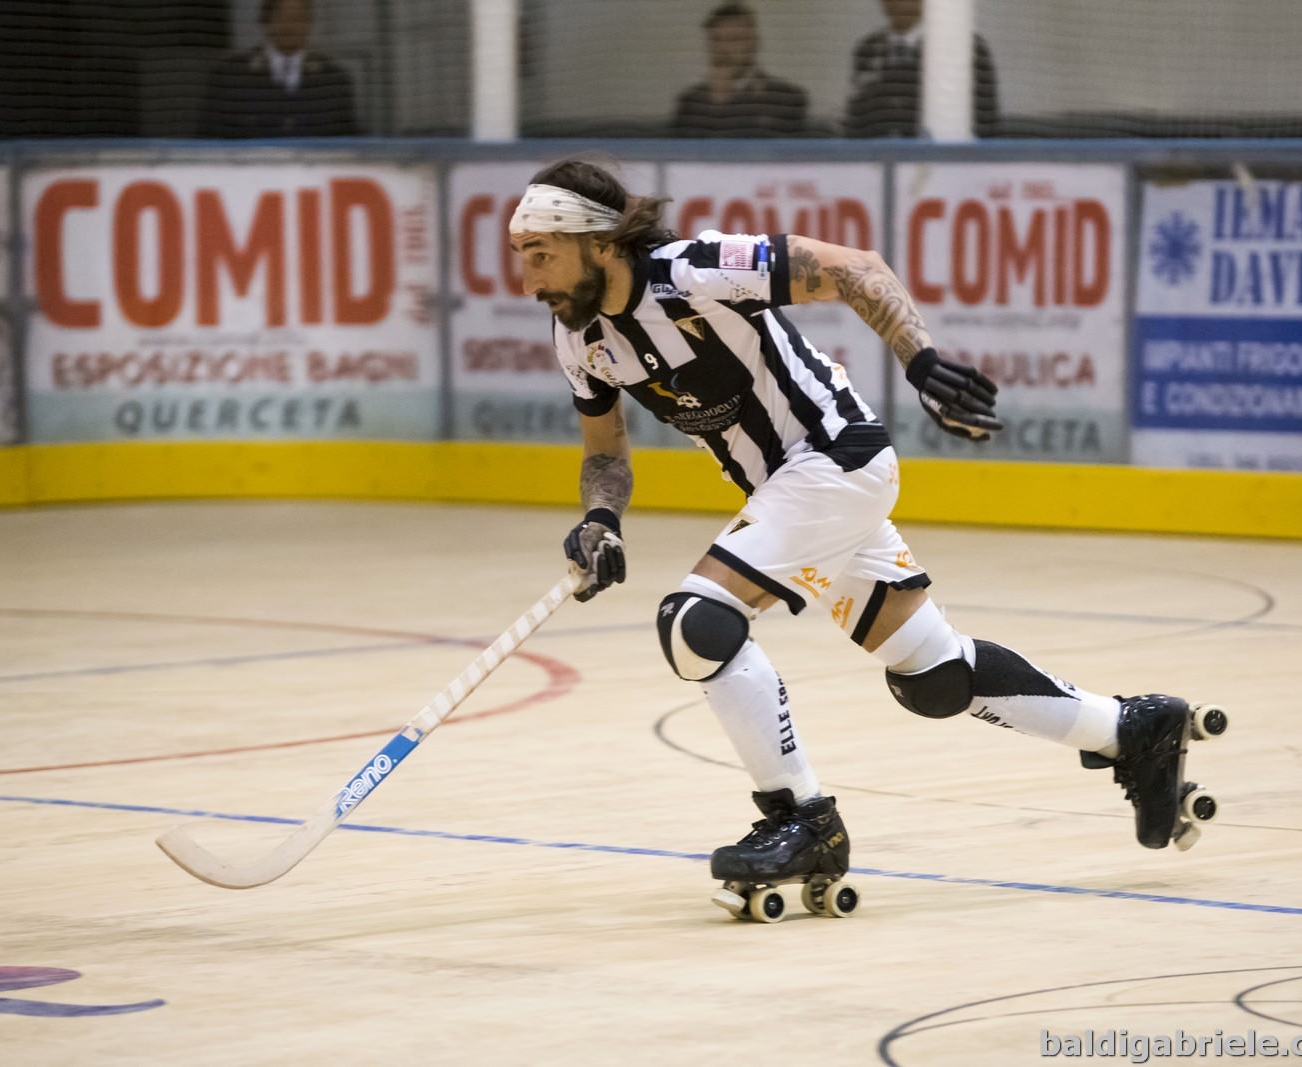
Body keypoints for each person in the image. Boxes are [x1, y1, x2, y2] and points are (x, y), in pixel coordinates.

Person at [507, 159, 1220, 920]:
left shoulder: (694, 270)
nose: (528, 279)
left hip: (834, 461)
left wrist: (923, 361)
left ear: (604, 241)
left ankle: (802, 819)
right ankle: (1131, 728)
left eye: (542, 254)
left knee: (695, 623)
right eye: (522, 258)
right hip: (795, 495)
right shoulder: (576, 335)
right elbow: (606, 452)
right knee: (932, 676)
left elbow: (853, 269)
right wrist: (600, 521)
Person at [201, 0, 361, 139]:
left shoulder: (333, 79)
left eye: (298, 18)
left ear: (310, 22)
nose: (289, 25)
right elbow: (208, 138)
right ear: (266, 21)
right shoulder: (230, 76)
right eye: (281, 17)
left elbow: (348, 137)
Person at [842, 0, 999, 138]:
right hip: (873, 164)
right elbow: (855, 120)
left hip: (939, 163)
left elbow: (985, 124)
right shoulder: (868, 49)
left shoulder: (967, 49)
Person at [670, 3, 809, 138]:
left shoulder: (786, 99)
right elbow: (685, 152)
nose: (723, 49)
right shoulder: (691, 102)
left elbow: (768, 149)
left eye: (734, 39)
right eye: (716, 40)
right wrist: (714, 102)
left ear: (755, 44)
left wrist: (723, 104)